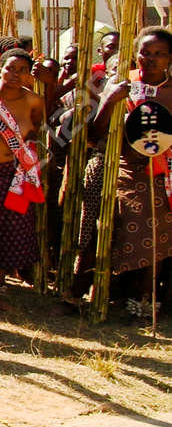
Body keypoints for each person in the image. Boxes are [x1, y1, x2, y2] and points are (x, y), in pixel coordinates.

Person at [75, 28, 172, 316]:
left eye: (159, 54)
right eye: (145, 53)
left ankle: (145, 300)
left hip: (162, 175)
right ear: (135, 54)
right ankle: (95, 294)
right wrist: (109, 102)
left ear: (169, 58)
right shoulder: (121, 86)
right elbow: (93, 135)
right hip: (122, 171)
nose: (151, 59)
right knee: (106, 234)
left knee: (157, 240)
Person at [0, 47, 45, 300]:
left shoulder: (34, 101)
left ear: (29, 75)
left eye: (22, 70)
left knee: (11, 226)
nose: (15, 74)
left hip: (16, 173)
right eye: (11, 68)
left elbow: (36, 130)